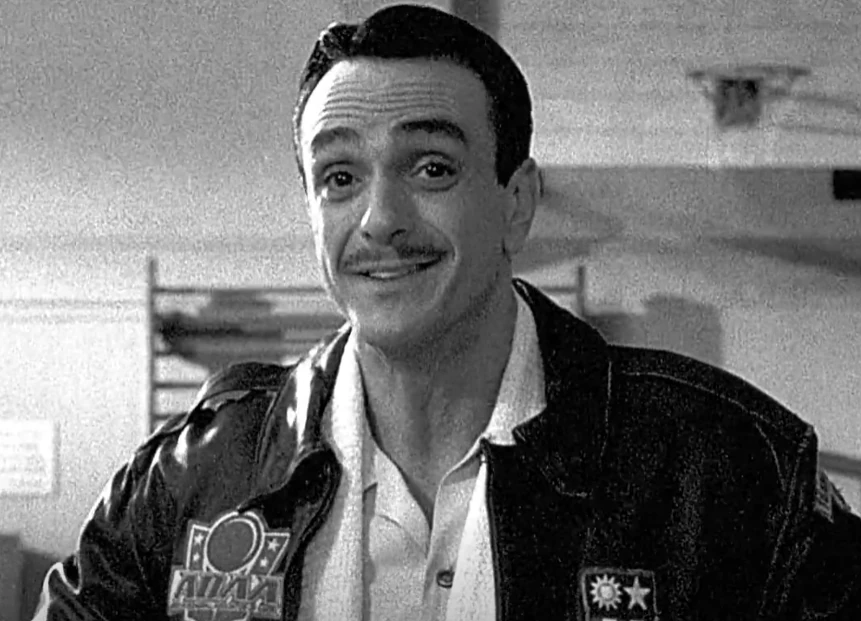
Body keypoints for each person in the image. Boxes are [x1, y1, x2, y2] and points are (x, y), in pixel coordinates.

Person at [34, 4, 861, 620]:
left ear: (515, 202)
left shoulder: (726, 472)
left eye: (430, 168)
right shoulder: (194, 479)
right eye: (339, 178)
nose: (379, 220)